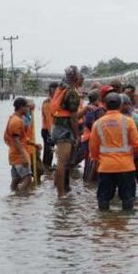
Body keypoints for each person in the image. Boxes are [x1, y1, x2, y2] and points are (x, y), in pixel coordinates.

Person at [89, 93, 138, 211]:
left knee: (103, 199)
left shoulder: (97, 123)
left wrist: (97, 159)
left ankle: (106, 223)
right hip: (126, 167)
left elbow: (93, 148)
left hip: (105, 167)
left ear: (105, 105)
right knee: (127, 198)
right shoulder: (129, 121)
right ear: (120, 106)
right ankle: (126, 224)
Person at [50, 66, 82, 197]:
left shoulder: (60, 88)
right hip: (65, 130)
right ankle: (61, 194)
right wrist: (77, 135)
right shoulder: (72, 92)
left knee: (61, 162)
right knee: (62, 163)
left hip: (57, 128)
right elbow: (74, 118)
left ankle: (59, 188)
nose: (80, 77)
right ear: (75, 78)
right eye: (79, 75)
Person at [5, 97, 40, 192]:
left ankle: (14, 198)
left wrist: (34, 144)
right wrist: (24, 156)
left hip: (14, 154)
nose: (28, 109)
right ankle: (21, 198)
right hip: (18, 155)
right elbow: (17, 141)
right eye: (26, 107)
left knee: (16, 180)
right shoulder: (16, 121)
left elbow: (22, 138)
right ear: (21, 107)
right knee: (28, 178)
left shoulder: (14, 118)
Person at [41, 82, 58, 170]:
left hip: (53, 129)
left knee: (50, 150)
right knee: (48, 151)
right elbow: (48, 119)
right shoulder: (47, 102)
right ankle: (46, 168)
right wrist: (51, 133)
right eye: (55, 89)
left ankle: (47, 168)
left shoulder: (56, 102)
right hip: (47, 130)